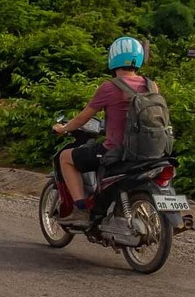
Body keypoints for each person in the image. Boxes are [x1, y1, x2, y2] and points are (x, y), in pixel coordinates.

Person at [52, 36, 150, 224]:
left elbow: (83, 118)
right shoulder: (151, 85)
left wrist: (63, 128)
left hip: (116, 151)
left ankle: (80, 209)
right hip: (148, 151)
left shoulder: (109, 87)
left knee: (65, 158)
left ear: (113, 58)